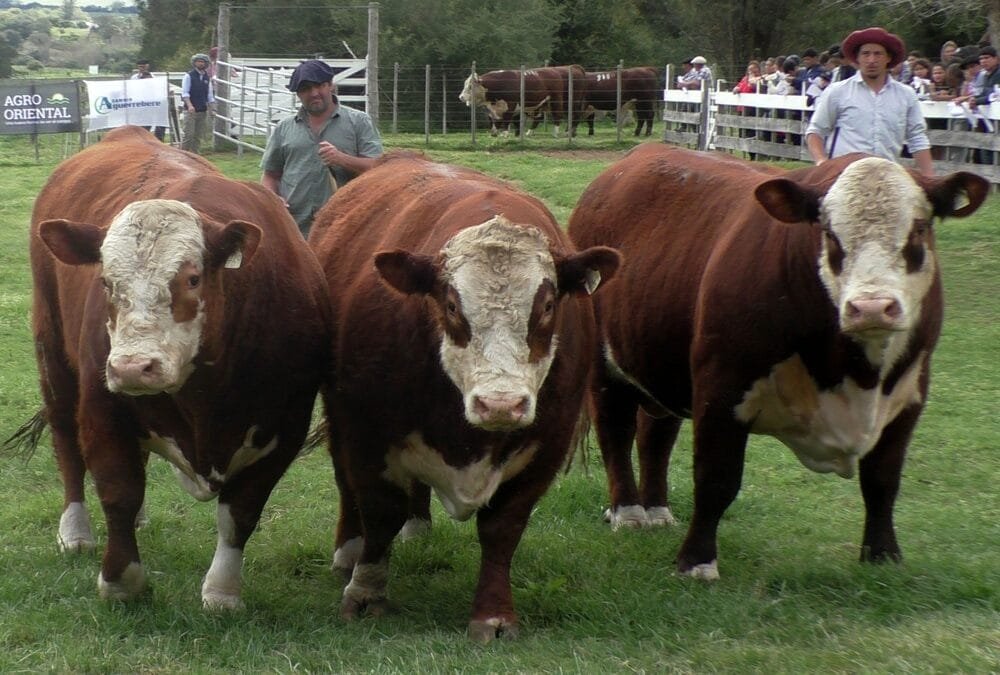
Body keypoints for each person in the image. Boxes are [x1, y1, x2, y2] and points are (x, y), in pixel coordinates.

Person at [261, 59, 383, 236]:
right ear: (298, 94)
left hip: (344, 226)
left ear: (330, 85)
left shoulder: (359, 122)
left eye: (319, 85)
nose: (314, 93)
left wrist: (342, 159)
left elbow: (378, 169)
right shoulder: (284, 128)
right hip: (294, 228)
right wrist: (272, 199)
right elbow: (270, 176)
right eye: (305, 89)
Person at [806, 26, 934, 176]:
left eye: (878, 54)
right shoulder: (838, 92)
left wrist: (929, 179)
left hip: (888, 178)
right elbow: (815, 131)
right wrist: (822, 163)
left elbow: (917, 138)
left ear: (888, 58)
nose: (871, 60)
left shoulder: (906, 95)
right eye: (866, 54)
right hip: (844, 178)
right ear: (857, 58)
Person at [181, 53, 214, 154]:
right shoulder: (189, 76)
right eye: (198, 61)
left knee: (198, 135)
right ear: (194, 63)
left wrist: (212, 108)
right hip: (190, 110)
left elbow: (209, 95)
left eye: (202, 62)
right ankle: (184, 154)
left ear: (206, 64)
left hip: (202, 109)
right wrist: (190, 105)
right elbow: (185, 93)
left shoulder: (207, 77)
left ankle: (195, 154)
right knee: (188, 134)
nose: (200, 63)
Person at [130, 58, 165, 141]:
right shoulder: (134, 78)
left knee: (158, 124)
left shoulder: (154, 78)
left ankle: (157, 140)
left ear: (147, 66)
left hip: (152, 103)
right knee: (143, 125)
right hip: (140, 104)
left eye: (143, 67)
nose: (142, 69)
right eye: (140, 67)